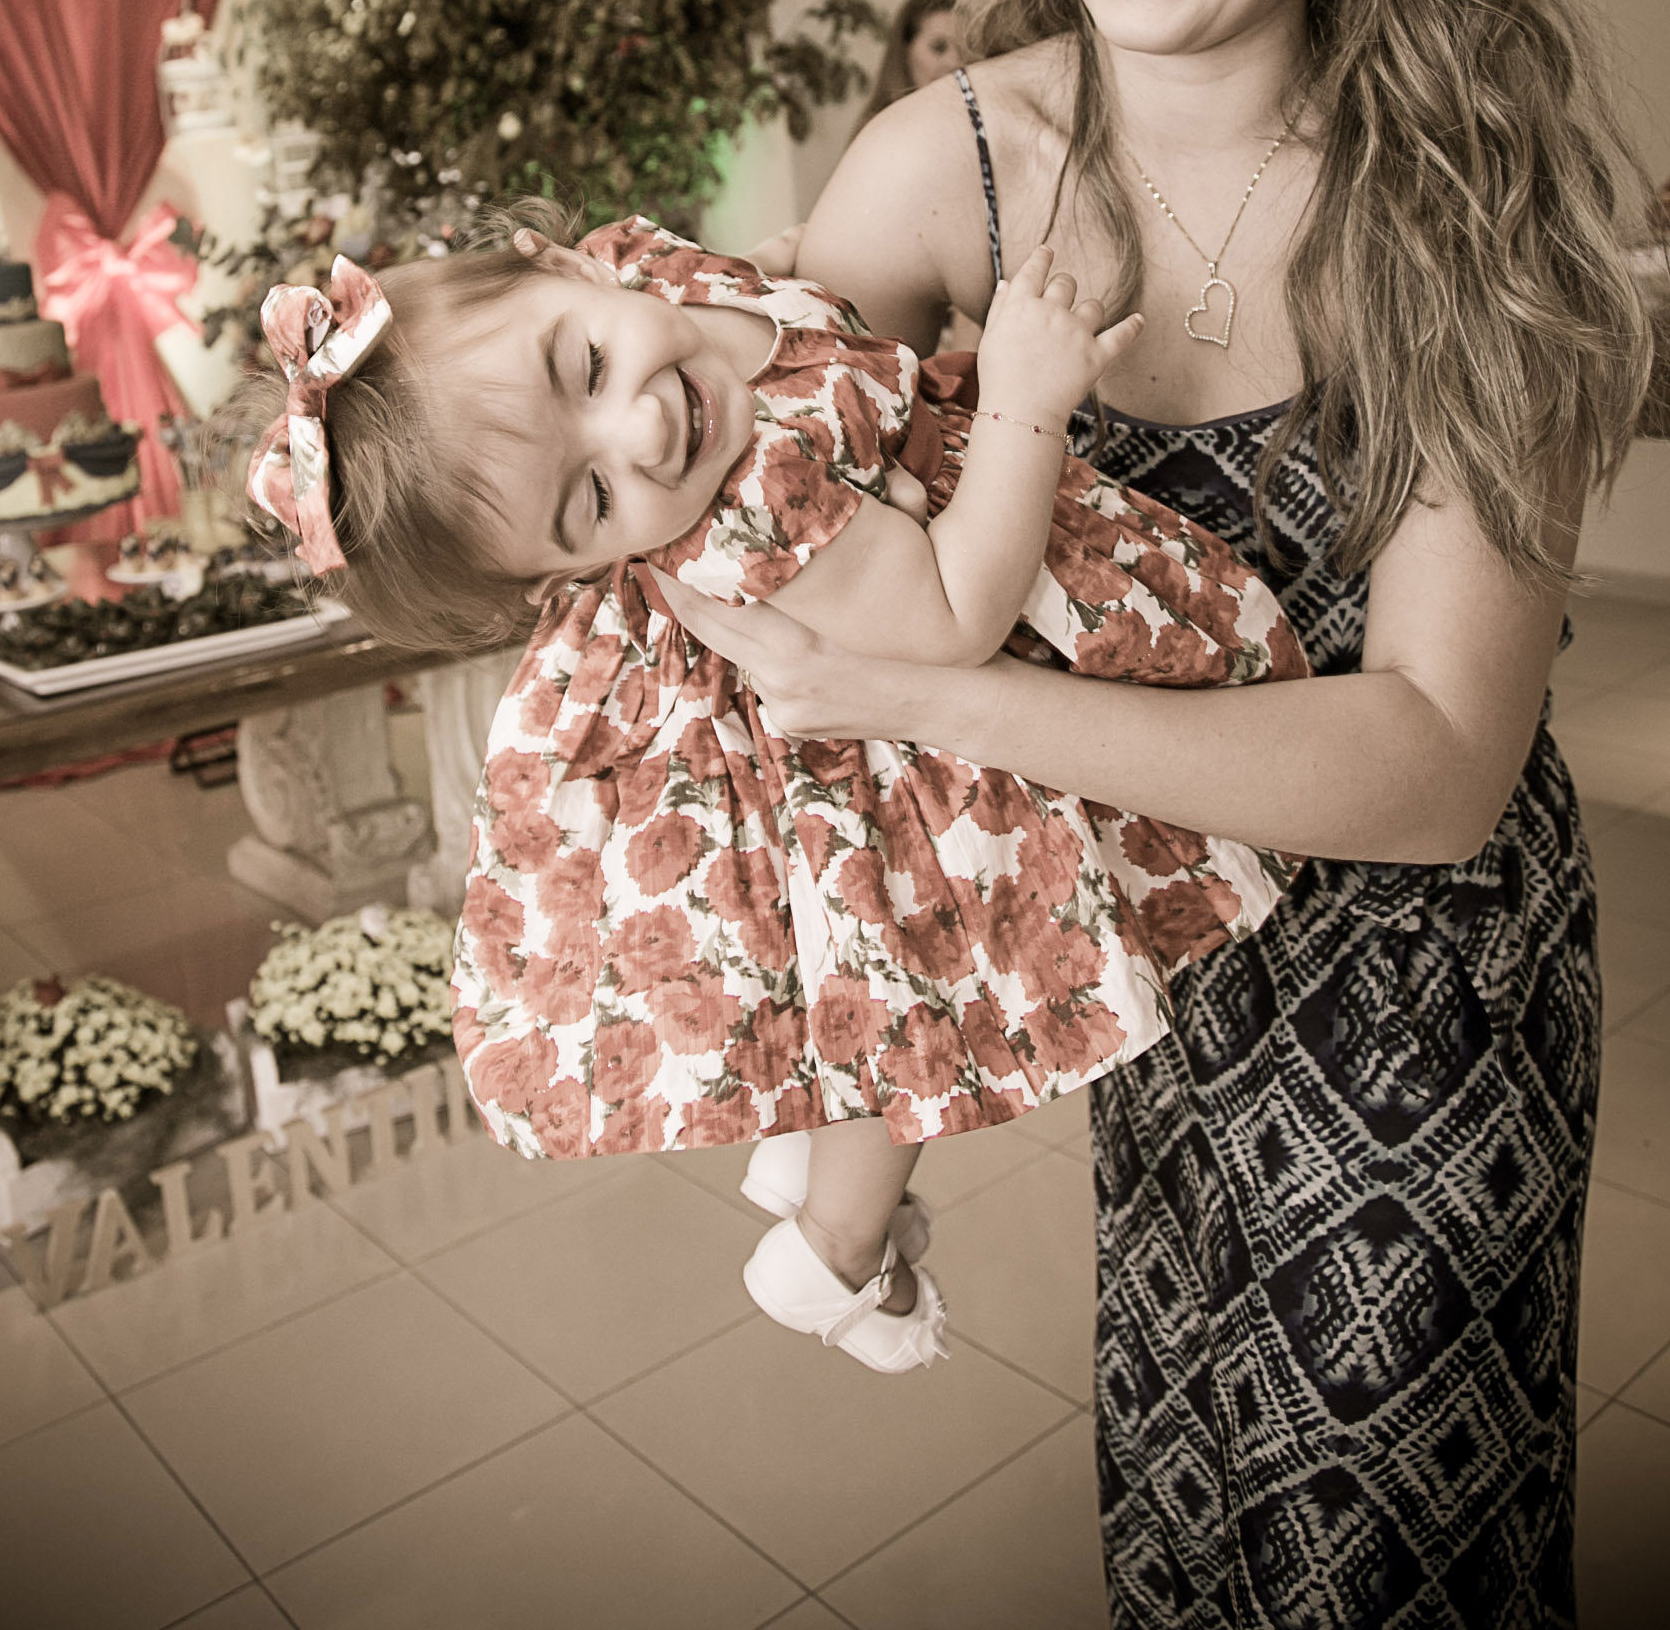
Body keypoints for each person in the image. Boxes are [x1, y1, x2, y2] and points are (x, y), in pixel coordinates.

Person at [654, 0, 1650, 1630]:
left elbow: (1433, 763)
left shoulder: (1478, 200)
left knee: (1369, 1621)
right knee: (1189, 1561)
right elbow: (745, 549)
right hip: (1145, 1001)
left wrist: (934, 690)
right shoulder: (947, 170)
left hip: (1425, 998)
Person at [242, 220, 1306, 1372]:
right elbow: (955, 613)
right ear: (571, 569)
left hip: (823, 705)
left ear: (573, 266)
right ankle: (837, 1246)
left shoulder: (660, 275)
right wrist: (1025, 402)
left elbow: (777, 304)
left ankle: (819, 1161)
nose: (642, 433)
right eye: (591, 498)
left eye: (586, 365)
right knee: (915, 973)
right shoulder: (753, 518)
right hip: (899, 727)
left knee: (858, 980)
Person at [853, 0, 961, 133]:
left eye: (963, 50)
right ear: (905, 51)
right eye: (938, 47)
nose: (955, 62)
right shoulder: (880, 131)